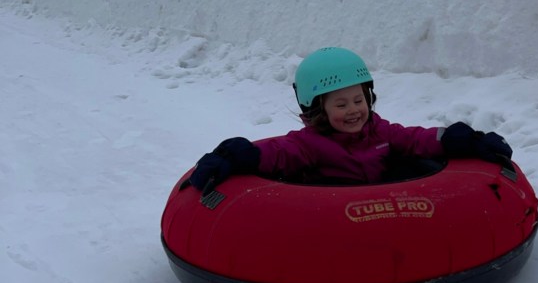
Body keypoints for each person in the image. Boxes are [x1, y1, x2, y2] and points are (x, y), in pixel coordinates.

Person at [185, 47, 512, 192]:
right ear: (318, 110)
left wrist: (458, 139)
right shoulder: (309, 144)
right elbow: (278, 154)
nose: (354, 110)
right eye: (341, 104)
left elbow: (415, 139)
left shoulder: (379, 131)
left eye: (359, 100)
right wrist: (239, 155)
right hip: (333, 214)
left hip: (386, 205)